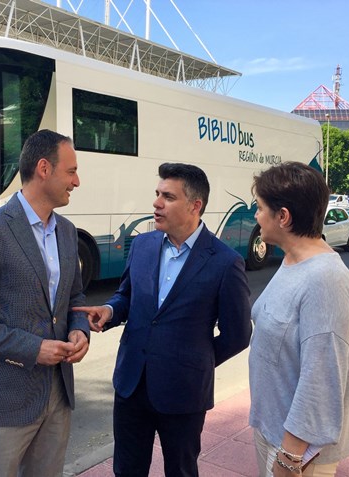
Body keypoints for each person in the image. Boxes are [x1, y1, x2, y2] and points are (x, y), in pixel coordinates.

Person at [74, 162, 252, 477]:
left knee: (181, 471)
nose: (156, 203)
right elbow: (127, 295)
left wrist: (196, 360)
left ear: (195, 206)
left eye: (167, 197)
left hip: (184, 392)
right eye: (157, 194)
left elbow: (238, 334)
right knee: (127, 469)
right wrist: (111, 311)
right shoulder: (142, 245)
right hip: (131, 384)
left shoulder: (226, 262)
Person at [0, 129, 90, 477]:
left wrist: (80, 330)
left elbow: (75, 297)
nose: (77, 181)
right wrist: (31, 348)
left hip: (57, 396)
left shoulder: (67, 232)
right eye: (71, 171)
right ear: (43, 168)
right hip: (2, 402)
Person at [248, 161, 349, 477]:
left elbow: (320, 379)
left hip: (300, 453)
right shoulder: (292, 260)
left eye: (260, 208)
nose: (256, 216)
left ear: (282, 216)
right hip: (274, 431)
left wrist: (288, 459)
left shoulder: (325, 280)